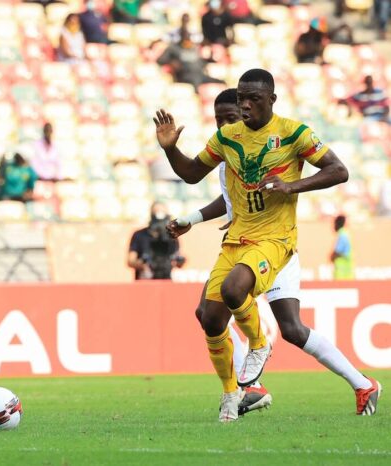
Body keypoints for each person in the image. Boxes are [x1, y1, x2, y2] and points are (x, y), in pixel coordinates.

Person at [153, 68, 380, 422]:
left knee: (243, 298)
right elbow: (197, 177)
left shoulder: (293, 133)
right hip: (240, 243)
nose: (243, 108)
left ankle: (261, 357)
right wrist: (171, 150)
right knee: (214, 315)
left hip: (277, 245)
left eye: (250, 101)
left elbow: (339, 170)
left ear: (271, 100)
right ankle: (251, 388)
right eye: (238, 101)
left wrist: (292, 186)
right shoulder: (229, 142)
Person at [127, 202, 184, 280]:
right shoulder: (139, 235)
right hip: (145, 281)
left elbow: (178, 261)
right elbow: (130, 261)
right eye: (156, 213)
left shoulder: (172, 237)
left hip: (166, 280)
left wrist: (179, 261)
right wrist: (143, 264)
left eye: (162, 213)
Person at [157, 29, 224, 90]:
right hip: (186, 76)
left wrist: (208, 60)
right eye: (184, 36)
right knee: (196, 88)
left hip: (200, 75)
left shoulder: (194, 48)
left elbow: (201, 61)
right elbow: (160, 60)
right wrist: (172, 62)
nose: (187, 39)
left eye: (188, 37)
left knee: (222, 83)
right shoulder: (173, 48)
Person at [331, 215, 354, 279]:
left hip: (342, 269)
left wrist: (332, 257)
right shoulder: (345, 234)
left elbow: (338, 251)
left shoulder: (342, 235)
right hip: (346, 268)